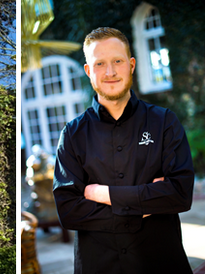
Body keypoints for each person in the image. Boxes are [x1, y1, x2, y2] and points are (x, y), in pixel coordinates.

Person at [52, 27, 194, 274]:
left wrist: (103, 194)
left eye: (117, 61)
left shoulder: (164, 122)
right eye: (99, 64)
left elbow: (180, 194)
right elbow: (69, 212)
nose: (110, 72)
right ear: (88, 71)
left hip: (162, 263)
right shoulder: (72, 134)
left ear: (131, 64)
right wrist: (147, 204)